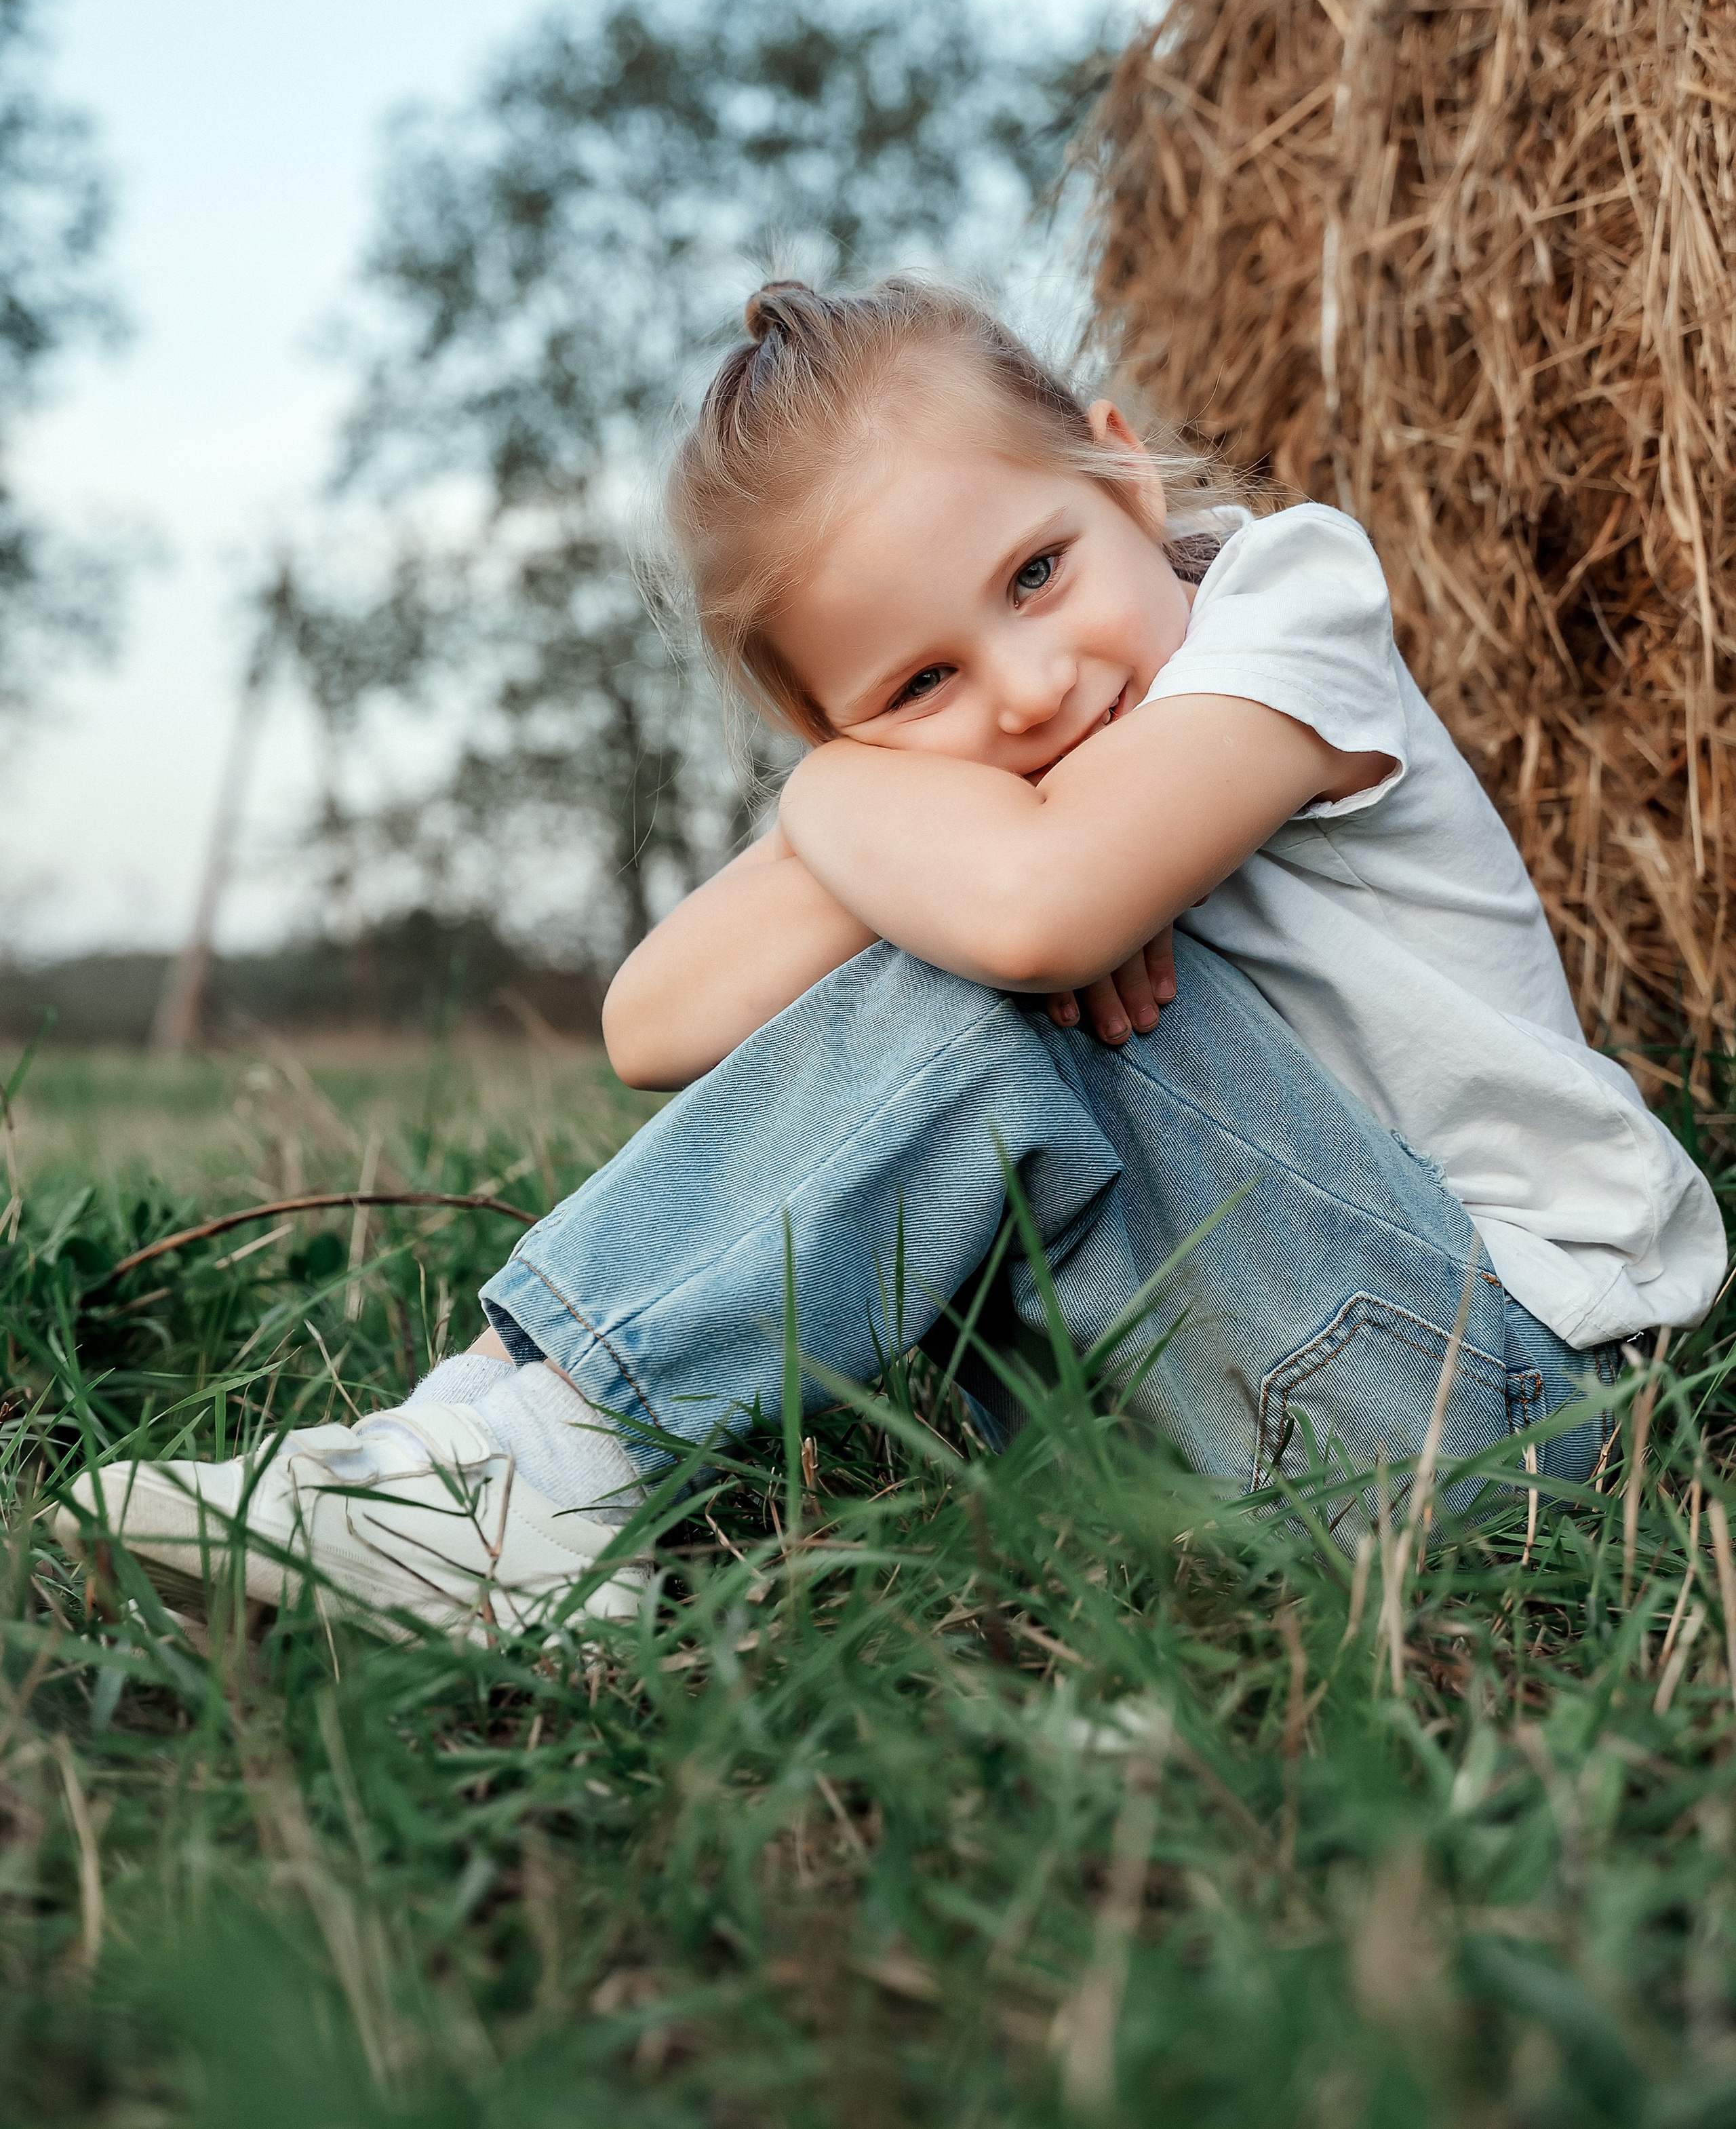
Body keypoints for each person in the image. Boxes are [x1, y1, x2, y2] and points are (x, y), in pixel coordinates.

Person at [61, 279, 1725, 1641]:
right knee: (955, 941)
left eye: (1036, 573)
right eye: (918, 684)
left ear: (1122, 475)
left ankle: (537, 1478)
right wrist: (851, 795)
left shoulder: (1287, 600)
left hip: (1505, 1404)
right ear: (829, 721)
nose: (1022, 691)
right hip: (1246, 1408)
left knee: (977, 970)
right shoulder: (940, 780)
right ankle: (459, 1450)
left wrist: (874, 797)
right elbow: (650, 1015)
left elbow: (1041, 910)